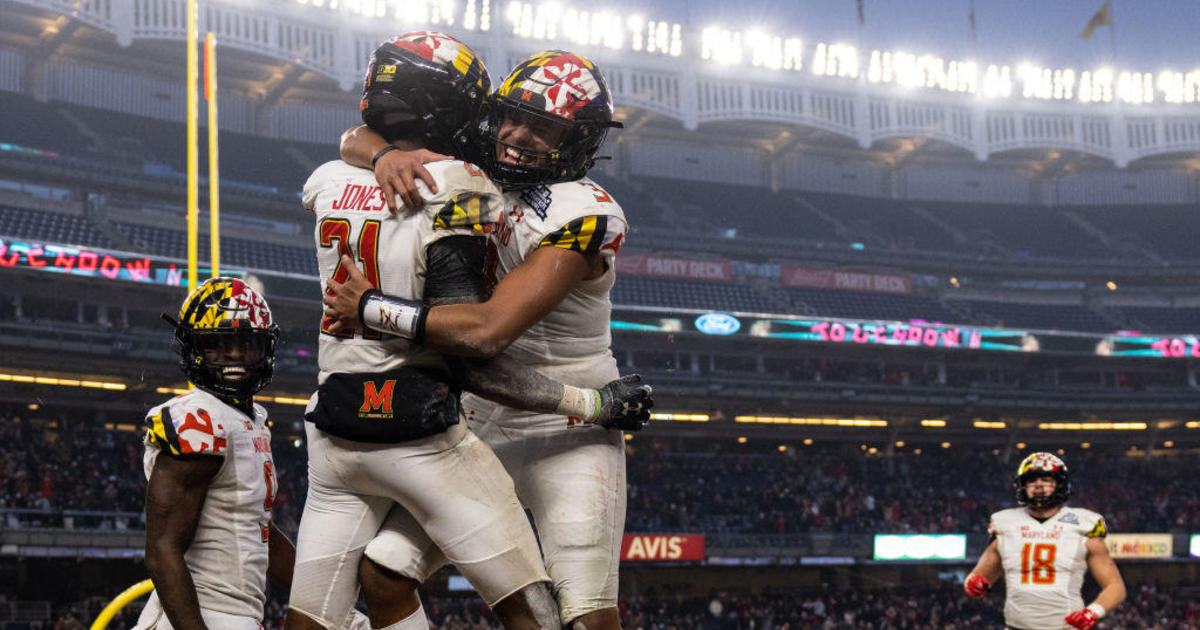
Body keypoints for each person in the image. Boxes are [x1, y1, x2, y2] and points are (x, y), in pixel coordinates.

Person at [288, 33, 651, 630]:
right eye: (512, 117)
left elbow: (487, 333)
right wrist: (382, 156)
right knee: (383, 578)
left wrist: (372, 307)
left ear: (579, 142)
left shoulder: (586, 209)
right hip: (480, 412)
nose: (516, 135)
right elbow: (353, 138)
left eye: (543, 129)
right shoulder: (470, 166)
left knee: (584, 613)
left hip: (570, 420)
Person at [137, 276, 293, 630]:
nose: (234, 355)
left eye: (245, 344)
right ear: (193, 349)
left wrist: (322, 589)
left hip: (234, 614)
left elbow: (259, 530)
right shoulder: (199, 419)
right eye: (217, 345)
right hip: (204, 615)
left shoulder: (249, 421)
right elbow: (163, 550)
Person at [964, 452, 1126, 630]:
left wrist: (1092, 612)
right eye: (1032, 480)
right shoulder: (1005, 523)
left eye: (1047, 480)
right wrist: (973, 584)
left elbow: (1115, 586)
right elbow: (979, 577)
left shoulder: (1084, 524)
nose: (1039, 485)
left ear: (1060, 484)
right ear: (1022, 486)